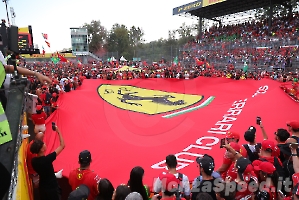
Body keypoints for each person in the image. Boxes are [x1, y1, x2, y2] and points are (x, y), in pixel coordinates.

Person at [30, 125, 65, 200]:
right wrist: (58, 131)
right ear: (42, 150)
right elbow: (62, 145)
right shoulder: (47, 159)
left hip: (43, 187)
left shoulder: (34, 161)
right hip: (52, 188)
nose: (45, 143)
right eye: (43, 144)